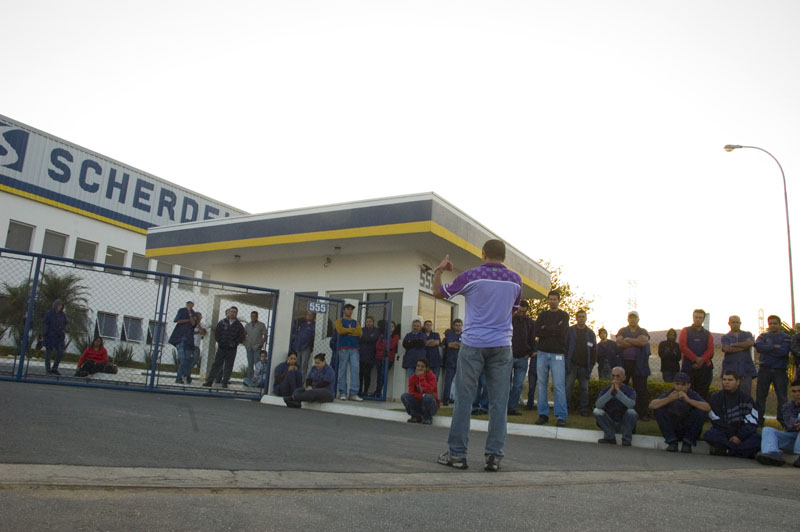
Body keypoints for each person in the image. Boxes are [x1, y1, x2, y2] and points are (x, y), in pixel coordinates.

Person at [432, 239, 522, 472]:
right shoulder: (515, 281)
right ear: (504, 256)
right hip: (502, 345)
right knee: (499, 403)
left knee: (464, 399)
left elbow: (438, 292)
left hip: (473, 344)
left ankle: (457, 454)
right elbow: (511, 311)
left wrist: (439, 270)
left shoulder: (472, 276)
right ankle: (494, 457)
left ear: (483, 254)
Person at [704, 370, 761, 458]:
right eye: (724, 379)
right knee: (710, 434)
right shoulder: (716, 397)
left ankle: (728, 450)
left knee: (758, 439)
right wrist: (731, 435)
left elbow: (752, 422)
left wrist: (739, 437)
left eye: (730, 380)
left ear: (737, 382)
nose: (726, 382)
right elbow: (715, 419)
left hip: (742, 434)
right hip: (724, 433)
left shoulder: (747, 399)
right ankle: (740, 451)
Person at [649, 371, 710, 453]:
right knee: (659, 409)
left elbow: (707, 407)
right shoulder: (670, 393)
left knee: (701, 411)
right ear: (674, 384)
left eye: (683, 384)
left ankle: (688, 443)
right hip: (673, 427)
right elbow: (652, 405)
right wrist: (668, 399)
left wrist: (688, 400)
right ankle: (672, 442)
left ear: (688, 385)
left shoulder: (692, 394)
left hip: (688, 427)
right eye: (677, 384)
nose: (680, 387)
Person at [534, 290, 569, 427]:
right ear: (548, 300)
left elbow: (562, 332)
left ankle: (561, 416)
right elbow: (537, 331)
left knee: (559, 385)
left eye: (555, 299)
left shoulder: (564, 315)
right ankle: (543, 414)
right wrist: (553, 329)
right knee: (542, 385)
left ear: (559, 300)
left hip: (558, 354)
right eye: (550, 299)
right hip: (542, 353)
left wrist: (546, 329)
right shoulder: (543, 315)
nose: (552, 301)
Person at [754, 315, 792, 426]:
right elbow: (759, 348)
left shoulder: (786, 337)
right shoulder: (763, 336)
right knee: (761, 396)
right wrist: (774, 347)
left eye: (775, 323)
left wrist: (768, 348)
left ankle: (782, 420)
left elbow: (784, 351)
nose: (772, 325)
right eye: (770, 323)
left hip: (780, 370)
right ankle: (759, 419)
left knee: (782, 397)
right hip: (764, 369)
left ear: (779, 324)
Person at [616, 311, 651, 421]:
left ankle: (642, 413)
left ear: (638, 319)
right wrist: (636, 341)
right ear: (628, 319)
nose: (632, 320)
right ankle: (620, 412)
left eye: (634, 318)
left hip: (639, 364)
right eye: (630, 318)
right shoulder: (622, 330)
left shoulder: (643, 331)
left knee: (641, 389)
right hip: (624, 363)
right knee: (622, 388)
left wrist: (628, 340)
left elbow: (643, 342)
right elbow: (619, 343)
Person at [756, 379, 800, 467]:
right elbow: (790, 424)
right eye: (794, 391)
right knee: (767, 430)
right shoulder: (787, 406)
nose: (797, 394)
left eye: (799, 391)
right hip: (793, 437)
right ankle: (772, 454)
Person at [202, 307, 246, 388]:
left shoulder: (239, 325)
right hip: (222, 347)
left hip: (232, 349)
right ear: (228, 312)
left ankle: (225, 382)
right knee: (216, 364)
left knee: (229, 365)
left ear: (237, 313)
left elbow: (241, 336)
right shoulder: (222, 322)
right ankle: (210, 381)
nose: (233, 313)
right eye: (231, 311)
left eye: (235, 312)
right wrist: (220, 342)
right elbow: (217, 333)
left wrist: (234, 344)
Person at [593, 366, 638, 446]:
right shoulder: (606, 390)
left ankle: (626, 439)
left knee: (632, 412)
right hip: (610, 422)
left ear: (624, 378)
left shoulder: (630, 390)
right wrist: (610, 391)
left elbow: (631, 405)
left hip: (624, 423)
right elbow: (598, 405)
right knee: (597, 411)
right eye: (613, 376)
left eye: (618, 376)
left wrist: (618, 391)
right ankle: (610, 437)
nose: (615, 378)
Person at [566, 309, 596, 417]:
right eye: (579, 316)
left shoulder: (591, 333)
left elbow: (594, 351)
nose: (581, 318)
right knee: (568, 388)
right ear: (576, 318)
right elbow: (565, 346)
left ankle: (584, 410)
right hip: (572, 365)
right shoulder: (570, 331)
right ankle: (567, 409)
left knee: (584, 389)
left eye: (583, 316)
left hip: (584, 366)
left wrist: (591, 365)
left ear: (586, 318)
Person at [678, 309, 714, 401]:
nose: (698, 319)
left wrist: (701, 360)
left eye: (700, 318)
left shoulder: (708, 334)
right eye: (696, 317)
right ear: (693, 318)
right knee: (687, 392)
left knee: (702, 393)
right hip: (688, 367)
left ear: (703, 319)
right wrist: (695, 359)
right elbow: (683, 346)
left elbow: (710, 349)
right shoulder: (685, 331)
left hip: (704, 369)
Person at [508, 302, 535, 416]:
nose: (522, 313)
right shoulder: (509, 320)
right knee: (504, 383)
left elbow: (532, 339)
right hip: (508, 356)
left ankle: (511, 407)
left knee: (518, 385)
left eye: (524, 311)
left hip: (523, 358)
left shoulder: (530, 323)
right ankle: (501, 406)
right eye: (520, 311)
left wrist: (530, 353)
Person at [720, 315, 756, 397]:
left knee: (745, 395)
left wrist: (733, 345)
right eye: (733, 322)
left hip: (745, 370)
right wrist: (743, 347)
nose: (735, 324)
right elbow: (726, 349)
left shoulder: (747, 334)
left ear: (740, 323)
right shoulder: (725, 337)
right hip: (730, 369)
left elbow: (750, 343)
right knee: (729, 395)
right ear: (729, 323)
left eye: (737, 322)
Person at [336, 303, 362, 401]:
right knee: (342, 370)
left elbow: (359, 332)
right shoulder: (339, 321)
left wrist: (347, 330)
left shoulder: (356, 322)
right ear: (344, 310)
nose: (350, 311)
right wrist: (351, 330)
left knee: (355, 370)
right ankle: (342, 393)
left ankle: (353, 394)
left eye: (351, 310)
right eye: (348, 309)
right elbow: (340, 330)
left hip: (354, 348)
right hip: (343, 348)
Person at [401, 358, 440, 425]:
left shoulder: (432, 377)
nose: (419, 368)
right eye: (418, 366)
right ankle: (415, 416)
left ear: (427, 368)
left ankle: (427, 418)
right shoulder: (412, 378)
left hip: (431, 405)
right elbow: (411, 392)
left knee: (427, 397)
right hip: (419, 403)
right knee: (404, 396)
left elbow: (429, 391)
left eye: (422, 366)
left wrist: (421, 377)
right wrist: (422, 396)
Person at [169, 300, 197, 384]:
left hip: (189, 340)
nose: (190, 305)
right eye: (188, 304)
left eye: (191, 304)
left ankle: (186, 375)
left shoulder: (194, 313)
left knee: (188, 359)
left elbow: (193, 323)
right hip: (180, 338)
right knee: (183, 358)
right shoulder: (181, 310)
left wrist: (190, 313)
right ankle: (180, 377)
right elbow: (178, 321)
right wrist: (189, 319)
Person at [42, 299, 68, 375]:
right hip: (50, 335)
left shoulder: (62, 315)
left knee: (60, 352)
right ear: (56, 305)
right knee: (48, 353)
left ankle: (54, 368)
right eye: (59, 305)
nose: (60, 307)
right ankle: (48, 369)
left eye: (61, 306)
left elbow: (66, 323)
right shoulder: (49, 313)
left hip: (59, 336)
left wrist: (64, 329)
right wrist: (44, 334)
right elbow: (45, 324)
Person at [374, 320, 398, 397]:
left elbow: (391, 345)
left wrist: (384, 345)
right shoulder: (382, 335)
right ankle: (377, 391)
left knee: (383, 375)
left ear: (394, 328)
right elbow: (377, 345)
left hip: (389, 358)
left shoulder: (396, 336)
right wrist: (385, 346)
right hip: (379, 357)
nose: (390, 328)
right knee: (379, 375)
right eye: (389, 326)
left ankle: (379, 392)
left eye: (392, 326)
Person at [358, 316, 381, 396]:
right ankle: (359, 390)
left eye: (370, 321)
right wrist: (368, 338)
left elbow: (374, 339)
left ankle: (365, 391)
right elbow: (359, 339)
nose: (369, 323)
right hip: (361, 355)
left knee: (367, 374)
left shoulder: (376, 330)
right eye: (367, 321)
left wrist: (364, 338)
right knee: (360, 374)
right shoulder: (362, 329)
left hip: (371, 356)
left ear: (373, 322)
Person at [244, 311, 268, 381]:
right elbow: (243, 335)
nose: (253, 317)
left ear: (257, 316)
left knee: (257, 363)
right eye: (252, 316)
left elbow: (265, 335)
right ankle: (250, 379)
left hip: (257, 347)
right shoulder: (247, 325)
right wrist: (245, 343)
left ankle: (257, 379)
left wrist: (261, 343)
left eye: (255, 316)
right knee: (250, 363)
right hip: (249, 347)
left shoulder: (261, 325)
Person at [291, 311, 316, 377]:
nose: (309, 316)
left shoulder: (314, 325)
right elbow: (296, 334)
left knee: (304, 365)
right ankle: (296, 379)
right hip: (297, 346)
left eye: (311, 315)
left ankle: (301, 381)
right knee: (297, 364)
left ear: (314, 316)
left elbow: (313, 337)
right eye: (308, 314)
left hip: (306, 347)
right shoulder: (302, 325)